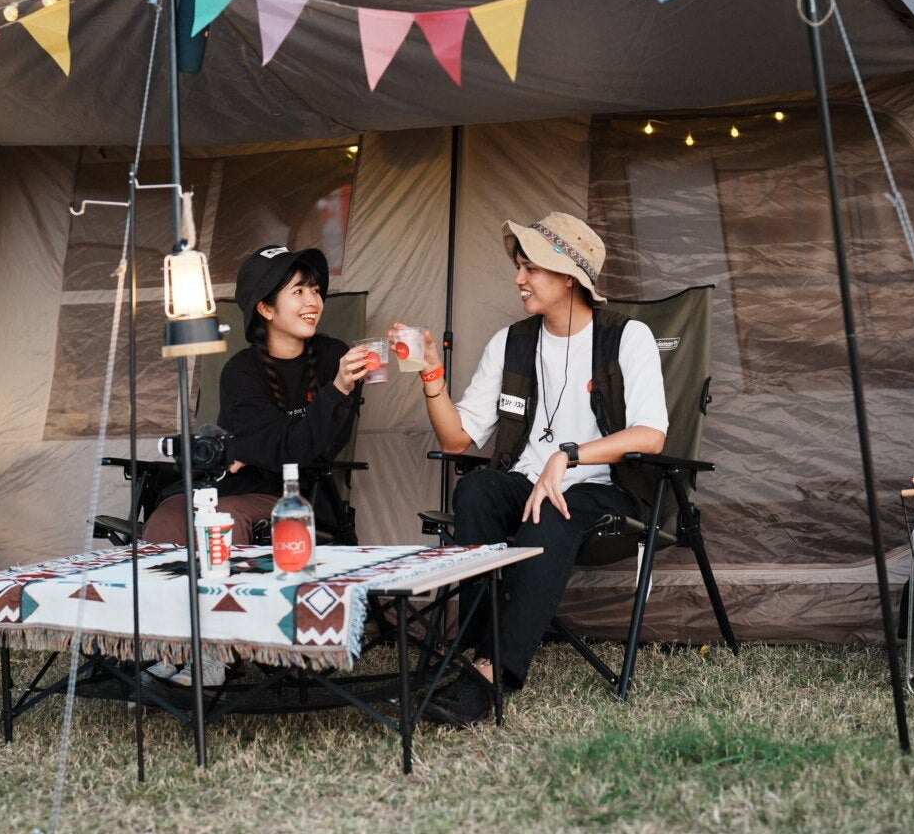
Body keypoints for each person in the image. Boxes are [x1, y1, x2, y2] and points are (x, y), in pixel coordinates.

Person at [393, 211, 667, 725]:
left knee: (552, 509)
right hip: (526, 482)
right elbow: (457, 438)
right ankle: (478, 646)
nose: (519, 279)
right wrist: (430, 373)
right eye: (518, 266)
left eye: (531, 268)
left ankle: (491, 672)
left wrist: (568, 455)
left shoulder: (627, 337)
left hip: (605, 489)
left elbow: (651, 435)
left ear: (570, 277)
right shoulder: (512, 342)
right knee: (476, 490)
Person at [141, 244, 370, 685]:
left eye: (315, 290)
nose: (313, 301)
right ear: (266, 308)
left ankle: (218, 653)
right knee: (170, 514)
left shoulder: (337, 360)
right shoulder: (241, 371)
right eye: (298, 291)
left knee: (223, 520)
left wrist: (336, 390)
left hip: (293, 493)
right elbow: (274, 442)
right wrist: (266, 443)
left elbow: (312, 449)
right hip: (230, 485)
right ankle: (169, 644)